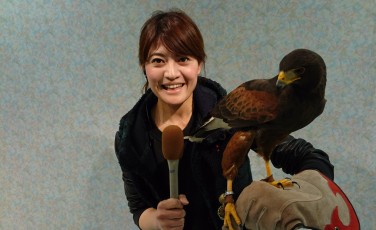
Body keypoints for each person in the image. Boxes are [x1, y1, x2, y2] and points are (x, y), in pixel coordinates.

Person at [114, 9, 334, 230]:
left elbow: (297, 152)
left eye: (183, 59)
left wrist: (313, 187)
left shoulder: (231, 110)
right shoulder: (130, 137)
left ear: (198, 64)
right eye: (158, 60)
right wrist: (158, 221)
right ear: (145, 66)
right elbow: (138, 207)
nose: (171, 73)